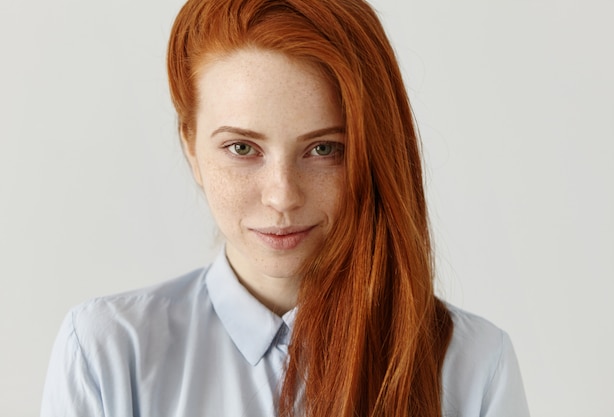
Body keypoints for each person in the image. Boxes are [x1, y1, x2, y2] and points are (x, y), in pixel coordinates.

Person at [41, 0, 530, 416]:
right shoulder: (107, 353)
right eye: (241, 148)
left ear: (371, 151)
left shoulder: (473, 364)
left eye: (323, 149)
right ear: (191, 147)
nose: (281, 197)